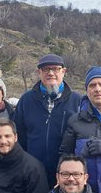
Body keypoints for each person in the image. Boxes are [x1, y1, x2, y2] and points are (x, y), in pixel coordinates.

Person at [13, 54, 82, 186]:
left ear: (63, 71)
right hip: (33, 173)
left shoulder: (77, 101)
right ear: (39, 73)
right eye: (45, 69)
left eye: (55, 69)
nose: (50, 73)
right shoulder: (26, 100)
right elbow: (18, 136)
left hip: (67, 176)